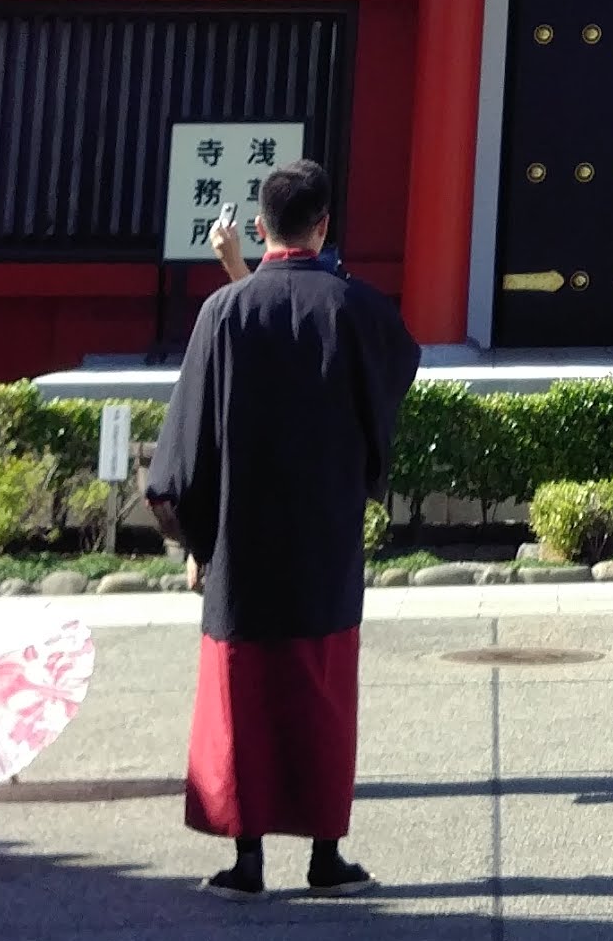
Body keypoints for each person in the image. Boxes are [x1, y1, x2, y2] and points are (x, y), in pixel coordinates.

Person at [146, 160, 418, 895]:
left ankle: (247, 859)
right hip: (323, 537)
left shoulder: (224, 314)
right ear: (324, 224)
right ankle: (327, 855)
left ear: (260, 226)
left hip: (242, 541)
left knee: (244, 697)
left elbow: (183, 451)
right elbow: (398, 368)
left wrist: (197, 540)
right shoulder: (355, 309)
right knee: (321, 697)